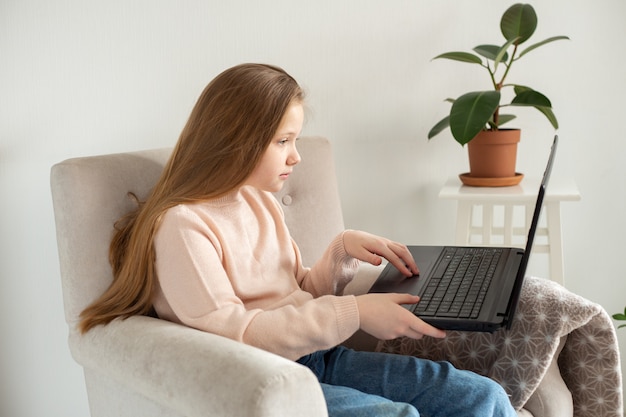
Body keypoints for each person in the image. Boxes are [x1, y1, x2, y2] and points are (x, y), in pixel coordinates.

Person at [79, 63, 517, 417]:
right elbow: (240, 336)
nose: (296, 155)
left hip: (317, 358)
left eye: (296, 139)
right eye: (283, 141)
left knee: (483, 397)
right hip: (262, 384)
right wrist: (354, 313)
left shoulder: (259, 200)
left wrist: (340, 251)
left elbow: (298, 295)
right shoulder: (183, 227)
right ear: (236, 142)